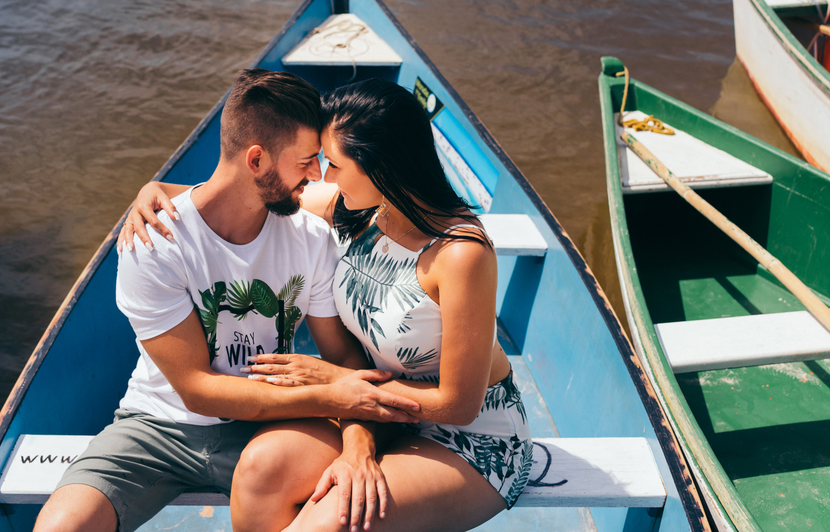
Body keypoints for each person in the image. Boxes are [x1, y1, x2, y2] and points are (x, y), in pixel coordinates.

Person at [121, 78, 532, 532]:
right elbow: (240, 190)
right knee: (260, 473)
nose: (322, 176)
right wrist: (152, 190)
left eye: (333, 163)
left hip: (466, 439)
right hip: (373, 411)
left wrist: (338, 380)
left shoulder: (460, 254)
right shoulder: (355, 210)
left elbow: (458, 405)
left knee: (326, 525)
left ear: (380, 165)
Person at [35, 70, 421, 532]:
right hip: (158, 425)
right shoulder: (155, 242)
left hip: (274, 425)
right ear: (256, 160)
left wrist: (359, 444)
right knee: (59, 527)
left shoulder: (311, 235)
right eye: (306, 161)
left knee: (348, 510)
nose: (318, 175)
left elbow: (341, 355)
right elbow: (197, 391)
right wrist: (332, 394)